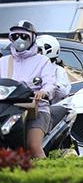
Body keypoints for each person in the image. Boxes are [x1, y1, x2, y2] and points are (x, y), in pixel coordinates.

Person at [0, 21, 58, 159]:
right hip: (6, 110)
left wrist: (44, 92)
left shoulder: (42, 61)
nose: (19, 40)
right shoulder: (3, 61)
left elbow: (50, 83)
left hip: (35, 109)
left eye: (24, 36)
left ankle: (45, 177)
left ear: (32, 38)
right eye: (15, 36)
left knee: (33, 146)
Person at [36, 35, 72, 102]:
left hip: (50, 107)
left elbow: (63, 93)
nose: (35, 53)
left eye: (38, 50)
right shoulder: (33, 68)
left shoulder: (58, 70)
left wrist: (53, 85)